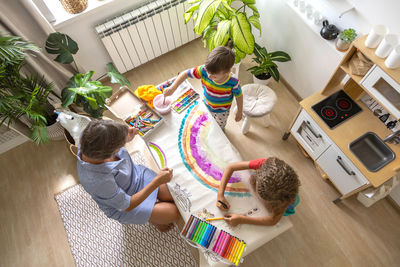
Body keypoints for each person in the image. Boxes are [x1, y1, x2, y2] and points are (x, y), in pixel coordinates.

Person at [77, 120, 180, 232]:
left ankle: (153, 212)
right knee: (174, 213)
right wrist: (157, 181)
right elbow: (126, 206)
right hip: (124, 205)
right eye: (121, 145)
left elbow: (110, 132)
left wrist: (126, 134)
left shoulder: (89, 136)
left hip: (135, 176)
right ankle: (153, 218)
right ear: (110, 153)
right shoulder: (98, 181)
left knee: (175, 196)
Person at [163, 46, 243, 131]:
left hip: (222, 112)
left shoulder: (233, 81)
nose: (209, 76)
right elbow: (185, 73)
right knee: (206, 123)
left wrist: (240, 111)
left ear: (227, 72)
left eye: (214, 76)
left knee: (219, 129)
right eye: (208, 72)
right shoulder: (204, 70)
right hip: (206, 104)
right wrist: (172, 88)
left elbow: (239, 96)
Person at [217, 157, 300, 226]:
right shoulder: (265, 165)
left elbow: (272, 221)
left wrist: (242, 219)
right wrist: (220, 195)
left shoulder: (285, 200)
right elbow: (231, 167)